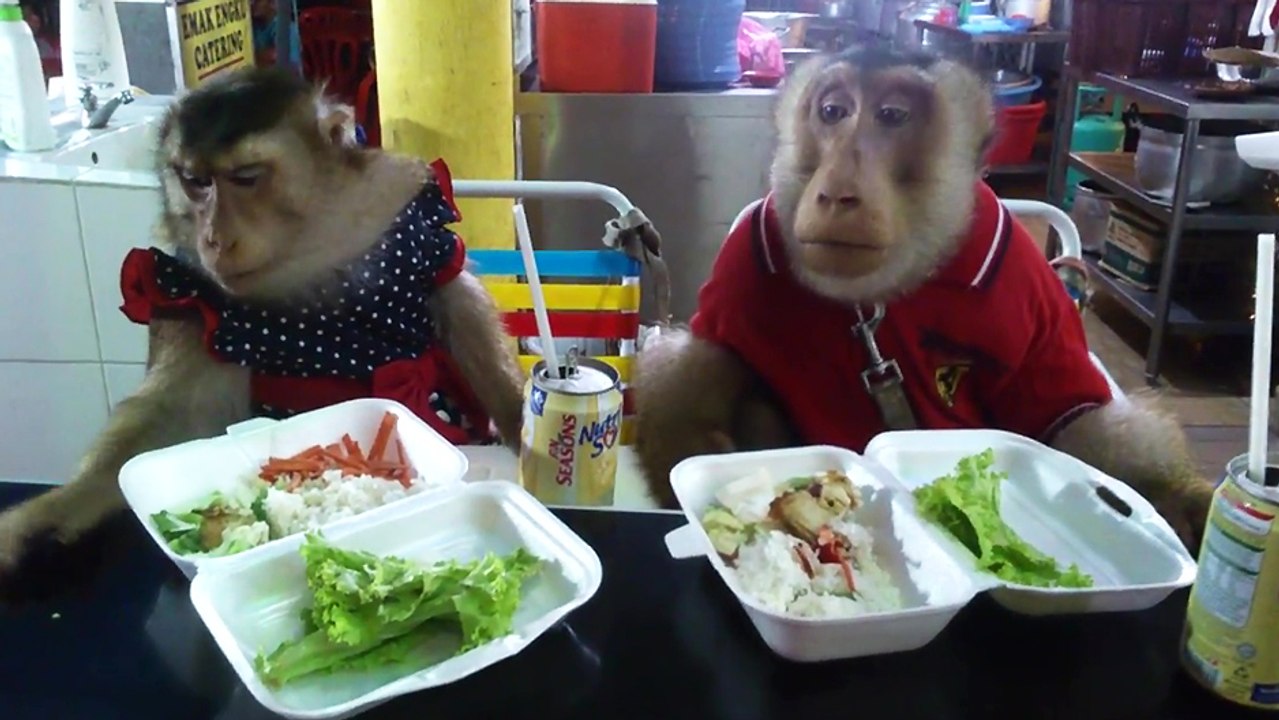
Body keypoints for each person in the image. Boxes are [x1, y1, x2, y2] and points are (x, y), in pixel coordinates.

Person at [251, 0, 301, 69]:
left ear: (272, 3)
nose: (252, 4)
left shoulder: (286, 28)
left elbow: (284, 58)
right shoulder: (251, 26)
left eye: (258, 1)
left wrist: (256, 55)